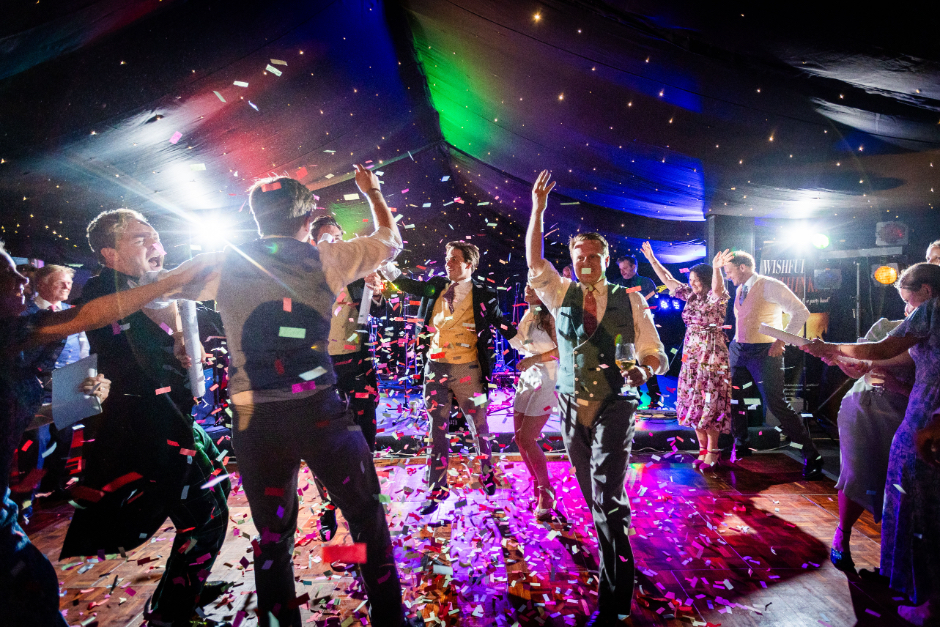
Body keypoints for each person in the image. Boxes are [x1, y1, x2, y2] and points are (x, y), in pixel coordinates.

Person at [171, 165, 422, 627]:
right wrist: (372, 192)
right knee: (366, 515)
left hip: (255, 421)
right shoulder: (326, 259)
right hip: (318, 412)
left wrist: (171, 331)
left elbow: (164, 287)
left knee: (273, 536)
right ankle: (390, 620)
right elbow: (390, 239)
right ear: (308, 220)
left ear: (255, 218)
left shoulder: (226, 262)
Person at [0, 242, 207, 627]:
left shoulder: (20, 335)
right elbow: (93, 314)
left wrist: (72, 403)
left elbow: (20, 412)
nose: (21, 280)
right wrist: (175, 280)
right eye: (6, 273)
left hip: (2, 514)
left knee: (35, 589)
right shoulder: (21, 331)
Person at [61, 209, 231, 627]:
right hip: (146, 426)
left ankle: (185, 584)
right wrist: (174, 287)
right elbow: (121, 320)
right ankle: (171, 615)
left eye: (156, 237)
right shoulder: (102, 291)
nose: (156, 245)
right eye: (140, 239)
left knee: (216, 492)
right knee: (205, 520)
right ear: (110, 254)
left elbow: (174, 329)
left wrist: (182, 341)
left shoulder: (153, 288)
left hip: (176, 417)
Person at [526, 170, 667, 627]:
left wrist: (644, 370)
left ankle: (616, 596)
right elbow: (534, 261)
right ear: (571, 261)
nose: (586, 261)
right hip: (571, 405)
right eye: (580, 256)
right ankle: (612, 548)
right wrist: (538, 208)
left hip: (616, 404)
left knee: (608, 498)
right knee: (595, 496)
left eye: (594, 256)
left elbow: (655, 352)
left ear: (606, 259)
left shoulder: (631, 299)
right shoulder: (559, 292)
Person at [803, 263, 940, 626]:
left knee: (920, 508)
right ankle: (911, 586)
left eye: (908, 297)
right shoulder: (921, 317)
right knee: (905, 499)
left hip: (924, 416)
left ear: (927, 290)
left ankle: (928, 601)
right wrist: (842, 357)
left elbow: (882, 350)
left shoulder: (933, 310)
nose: (907, 306)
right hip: (907, 413)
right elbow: (873, 357)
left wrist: (830, 346)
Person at [381, 241, 517, 515]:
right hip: (435, 368)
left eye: (454, 258)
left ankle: (487, 473)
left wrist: (530, 345)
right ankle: (436, 489)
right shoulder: (437, 285)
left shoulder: (484, 292)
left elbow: (499, 321)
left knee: (479, 426)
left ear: (469, 264)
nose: (448, 262)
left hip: (468, 370)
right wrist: (383, 262)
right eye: (447, 257)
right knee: (436, 429)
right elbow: (408, 284)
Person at [309, 214, 386, 541]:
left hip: (357, 362)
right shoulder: (306, 274)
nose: (335, 244)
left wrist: (376, 292)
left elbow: (378, 311)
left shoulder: (356, 271)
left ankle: (365, 502)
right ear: (314, 242)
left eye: (338, 237)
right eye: (328, 238)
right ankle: (328, 505)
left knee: (364, 430)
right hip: (319, 364)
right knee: (321, 438)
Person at [721, 250, 823, 479]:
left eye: (729, 271)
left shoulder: (770, 285)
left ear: (742, 267)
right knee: (734, 399)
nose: (727, 276)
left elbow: (801, 312)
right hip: (739, 350)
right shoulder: (739, 288)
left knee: (776, 404)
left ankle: (812, 456)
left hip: (765, 351)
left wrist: (781, 340)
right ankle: (741, 443)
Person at [825, 313, 912, 576]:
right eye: (906, 302)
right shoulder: (886, 327)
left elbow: (929, 389)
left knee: (896, 484)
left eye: (913, 301)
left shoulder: (929, 340)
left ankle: (893, 557)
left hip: (903, 416)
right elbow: (855, 370)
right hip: (860, 409)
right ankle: (842, 534)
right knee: (855, 473)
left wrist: (898, 386)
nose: (909, 308)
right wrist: (842, 361)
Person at [641, 243, 732, 469]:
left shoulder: (717, 296)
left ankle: (713, 451)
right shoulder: (690, 295)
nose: (693, 284)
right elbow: (668, 279)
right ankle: (702, 451)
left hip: (711, 354)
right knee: (694, 401)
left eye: (697, 280)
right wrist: (652, 260)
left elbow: (718, 288)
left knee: (710, 400)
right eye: (691, 280)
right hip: (691, 355)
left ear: (707, 279)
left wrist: (717, 269)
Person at [14, 264, 90, 523]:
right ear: (42, 284)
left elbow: (82, 348)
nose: (68, 287)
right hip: (35, 387)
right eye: (61, 282)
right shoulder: (25, 312)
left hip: (68, 384)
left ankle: (55, 488)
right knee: (36, 443)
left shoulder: (72, 312)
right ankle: (25, 502)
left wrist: (83, 380)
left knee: (64, 439)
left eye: (69, 283)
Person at [507, 284, 559, 520]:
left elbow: (561, 351)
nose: (528, 288)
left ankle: (545, 491)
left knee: (528, 438)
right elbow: (519, 343)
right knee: (519, 439)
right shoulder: (528, 313)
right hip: (529, 376)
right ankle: (539, 484)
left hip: (548, 376)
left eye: (534, 285)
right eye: (527, 284)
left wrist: (533, 359)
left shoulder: (551, 316)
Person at [616, 255, 662, 407]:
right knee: (627, 364)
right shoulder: (617, 283)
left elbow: (655, 305)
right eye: (620, 269)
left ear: (633, 267)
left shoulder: (645, 282)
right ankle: (634, 396)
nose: (622, 272)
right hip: (623, 329)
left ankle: (655, 397)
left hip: (642, 329)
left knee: (645, 361)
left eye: (625, 268)